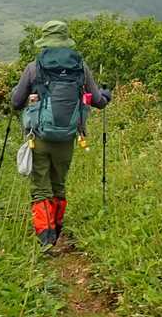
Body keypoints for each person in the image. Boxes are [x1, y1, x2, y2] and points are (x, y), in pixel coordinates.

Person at [10, 20, 110, 249]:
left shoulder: (34, 67)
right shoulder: (80, 67)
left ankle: (45, 238)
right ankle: (56, 229)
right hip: (67, 137)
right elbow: (98, 101)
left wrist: (19, 93)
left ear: (45, 41)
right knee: (59, 183)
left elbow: (16, 101)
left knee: (40, 187)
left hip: (39, 137)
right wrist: (106, 95)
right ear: (66, 41)